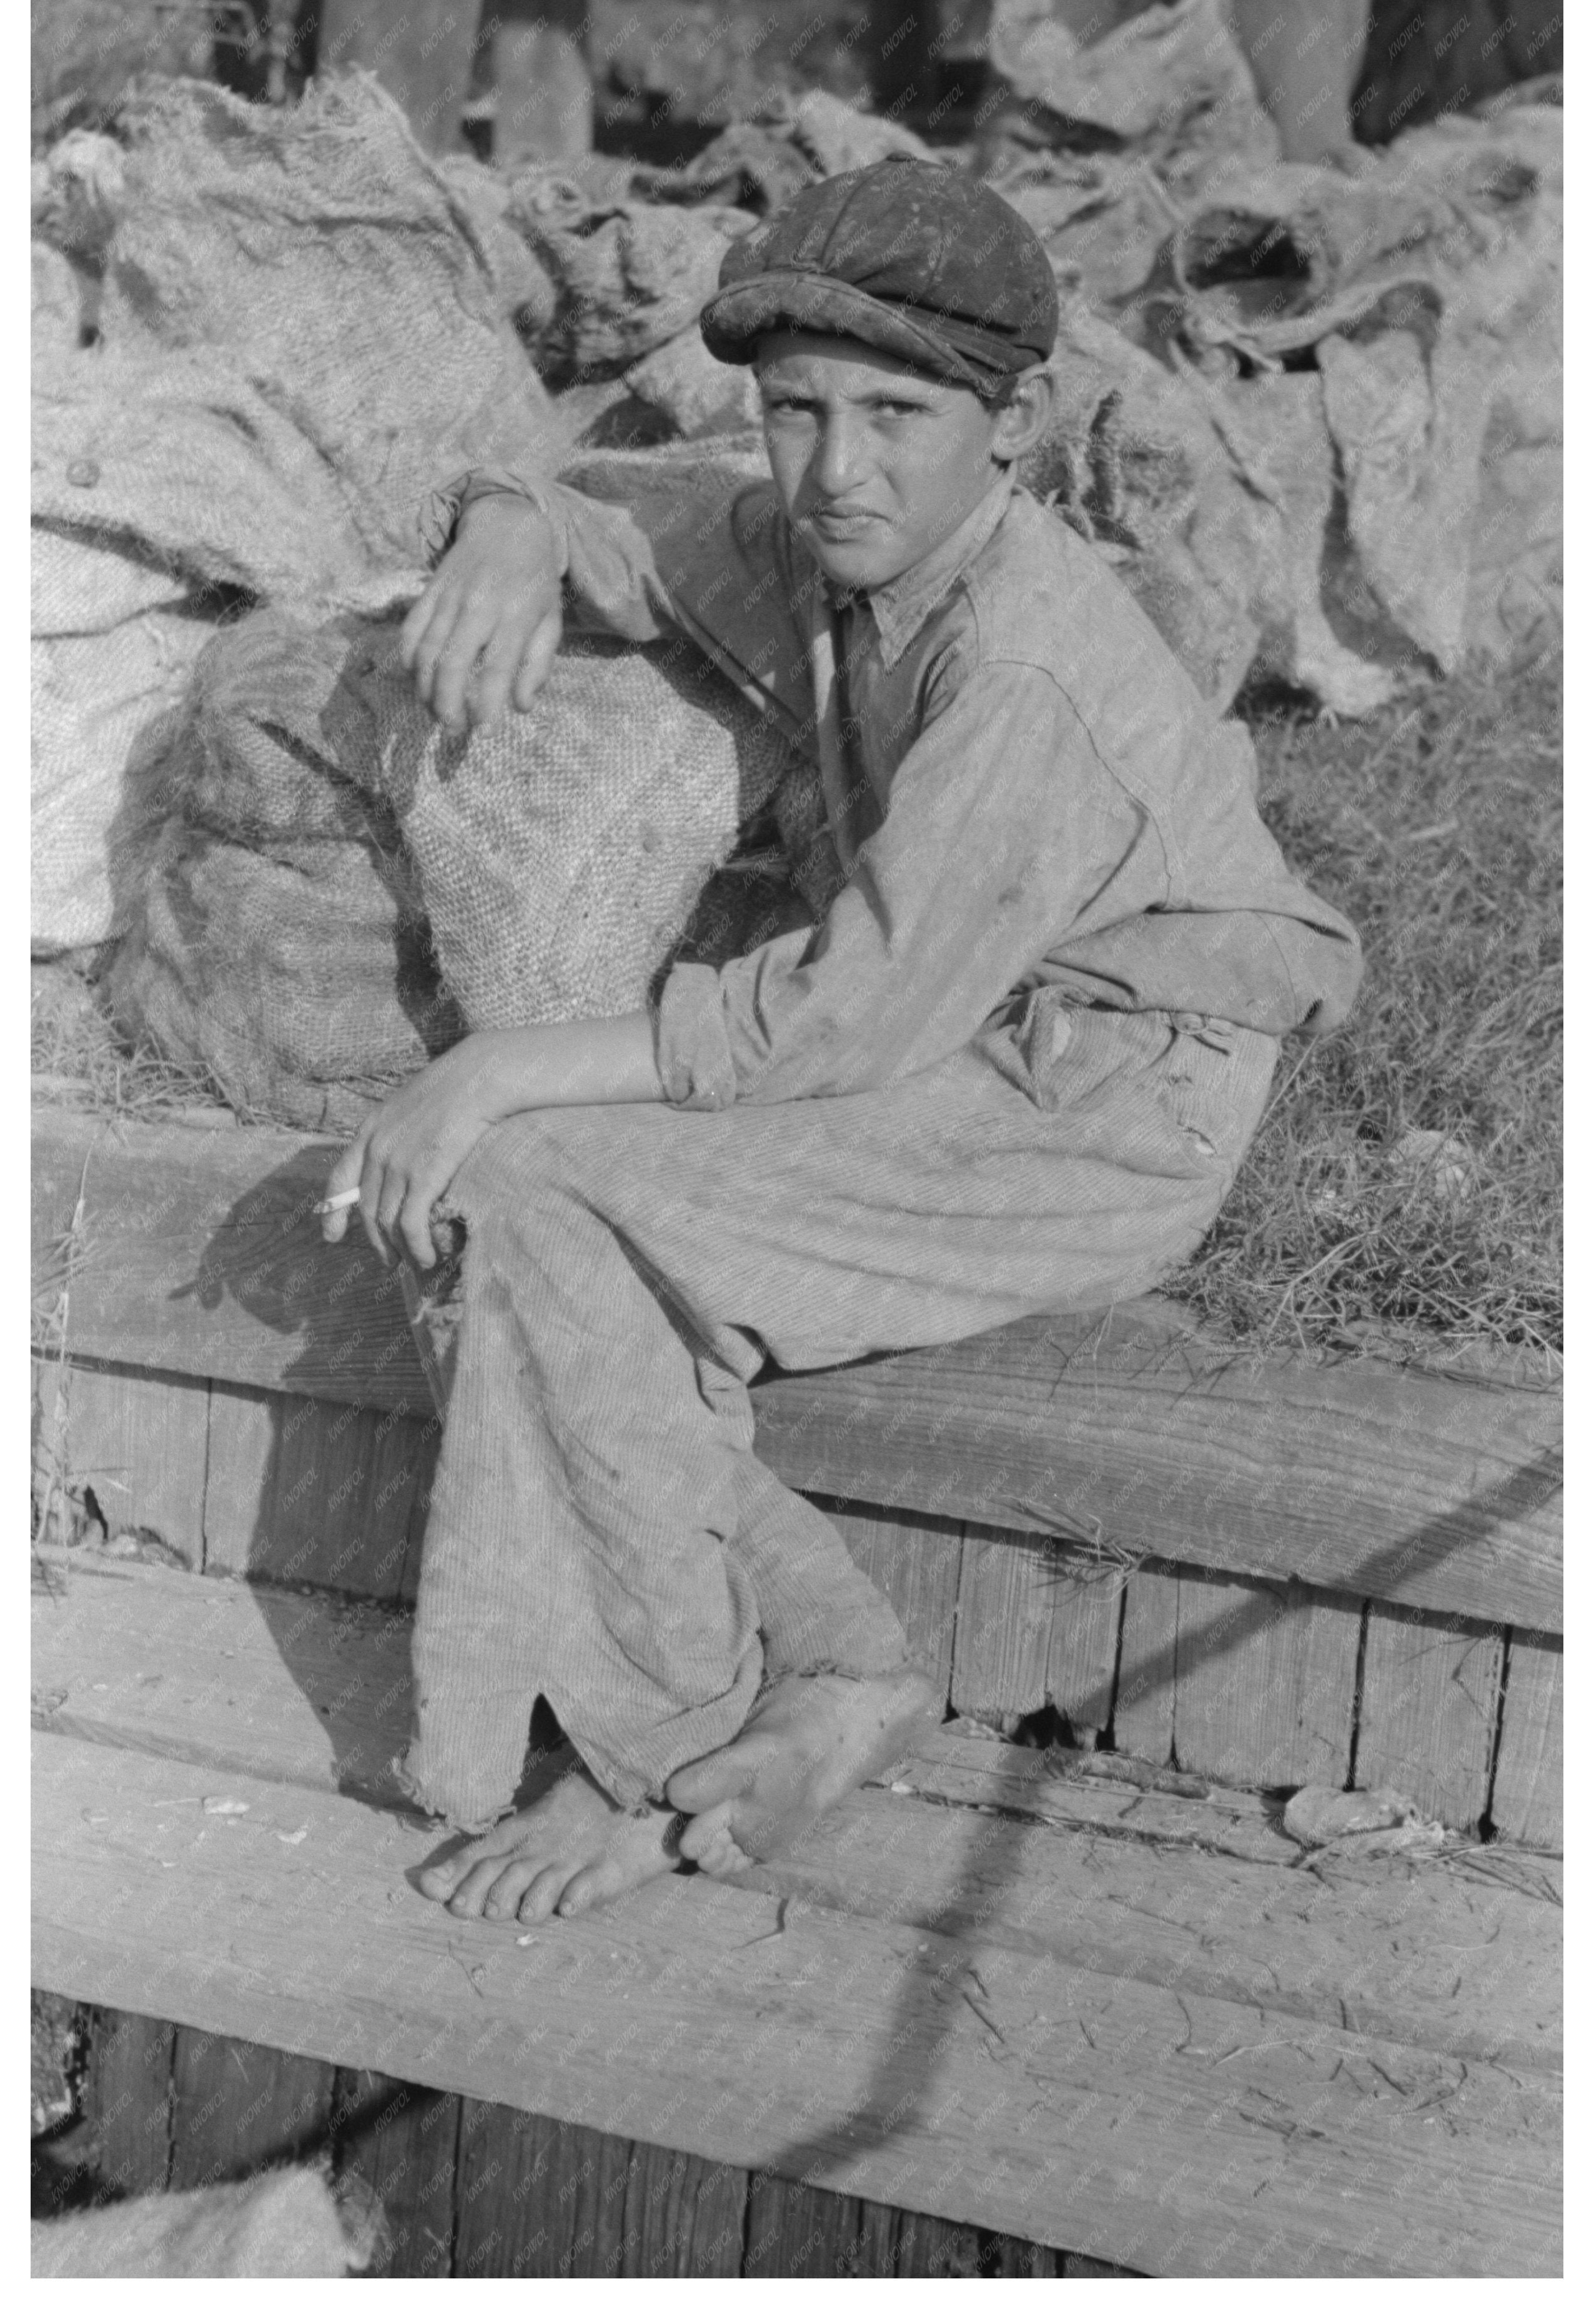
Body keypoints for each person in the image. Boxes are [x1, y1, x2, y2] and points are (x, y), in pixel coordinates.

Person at [320, 159, 1361, 1926]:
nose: (833, 467)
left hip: (1109, 1107)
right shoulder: (836, 545)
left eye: (896, 413)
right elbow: (639, 518)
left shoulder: (1023, 663)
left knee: (539, 1183)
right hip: (973, 1045)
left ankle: (665, 1743)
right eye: (794, 411)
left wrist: (493, 1061)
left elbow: (839, 1016)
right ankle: (834, 1681)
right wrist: (512, 520)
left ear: (1017, 423)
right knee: (544, 1225)